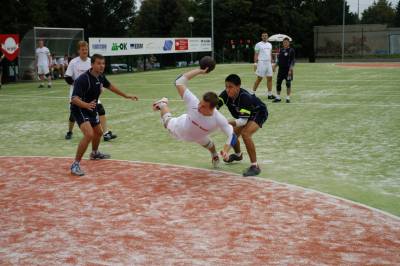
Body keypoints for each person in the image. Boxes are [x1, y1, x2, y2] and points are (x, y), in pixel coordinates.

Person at [69, 53, 138, 176]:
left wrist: (126, 95)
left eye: (103, 63)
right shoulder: (83, 79)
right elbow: (74, 99)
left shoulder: (100, 77)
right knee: (89, 134)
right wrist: (86, 105)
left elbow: (111, 86)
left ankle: (94, 153)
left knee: (99, 133)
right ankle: (75, 164)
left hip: (91, 108)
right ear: (92, 64)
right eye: (99, 63)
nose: (102, 66)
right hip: (79, 108)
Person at [152, 68, 236, 168]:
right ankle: (163, 104)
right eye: (200, 103)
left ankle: (214, 155)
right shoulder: (193, 102)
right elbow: (178, 82)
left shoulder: (218, 119)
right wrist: (200, 70)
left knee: (209, 144)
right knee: (166, 122)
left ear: (212, 109)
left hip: (199, 135)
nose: (199, 106)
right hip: (180, 127)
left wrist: (226, 151)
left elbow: (233, 136)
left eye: (204, 106)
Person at [64, 41, 117, 141]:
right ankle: (69, 131)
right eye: (82, 49)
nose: (85, 51)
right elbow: (67, 77)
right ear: (78, 50)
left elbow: (99, 75)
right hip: (77, 93)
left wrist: (100, 85)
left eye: (86, 49)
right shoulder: (73, 62)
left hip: (92, 92)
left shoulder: (91, 61)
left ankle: (105, 133)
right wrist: (77, 84)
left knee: (100, 110)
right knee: (73, 115)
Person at [218, 74, 268, 176]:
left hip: (258, 112)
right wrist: (225, 151)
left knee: (246, 134)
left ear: (238, 86)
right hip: (244, 116)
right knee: (232, 132)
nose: (227, 90)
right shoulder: (225, 95)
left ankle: (255, 166)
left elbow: (242, 122)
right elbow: (214, 107)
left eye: (230, 87)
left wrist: (225, 122)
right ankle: (238, 155)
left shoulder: (244, 97)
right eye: (226, 86)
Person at [252, 32, 275, 99]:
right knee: (259, 78)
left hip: (268, 63)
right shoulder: (258, 44)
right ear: (261, 37)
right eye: (263, 36)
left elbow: (270, 54)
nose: (265, 37)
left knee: (270, 78)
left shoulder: (270, 44)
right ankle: (252, 94)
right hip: (261, 63)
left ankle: (270, 95)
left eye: (266, 36)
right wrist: (255, 63)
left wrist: (272, 64)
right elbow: (256, 54)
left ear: (267, 37)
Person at [273, 37, 295, 103]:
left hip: (288, 70)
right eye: (284, 42)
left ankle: (288, 98)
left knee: (288, 84)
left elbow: (292, 61)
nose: (285, 43)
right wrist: (275, 66)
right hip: (281, 70)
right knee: (278, 83)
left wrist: (290, 70)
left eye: (286, 42)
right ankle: (278, 97)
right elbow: (279, 60)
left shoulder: (291, 50)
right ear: (283, 43)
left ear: (289, 43)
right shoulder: (281, 50)